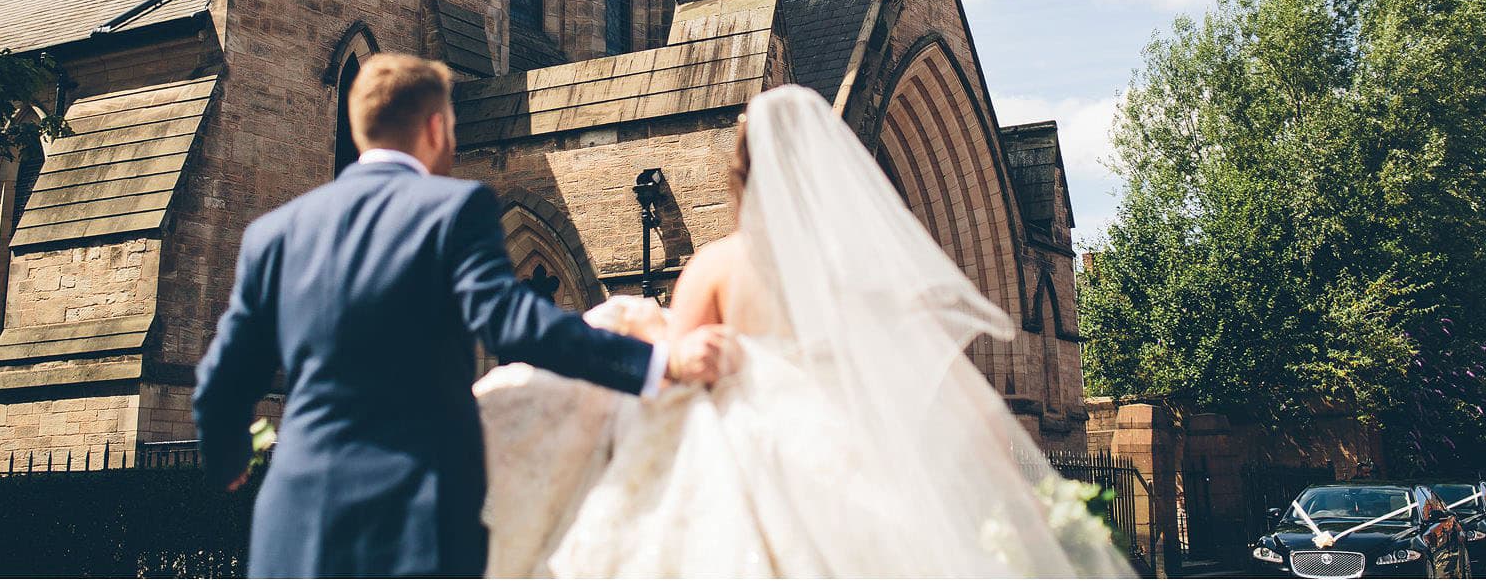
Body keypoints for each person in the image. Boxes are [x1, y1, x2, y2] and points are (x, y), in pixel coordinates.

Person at [476, 84, 1130, 578]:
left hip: (736, 468)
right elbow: (947, 388)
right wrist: (1028, 491)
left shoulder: (719, 265)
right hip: (847, 462)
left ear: (743, 175)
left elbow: (678, 370)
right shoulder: (861, 278)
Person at [192, 53, 735, 579]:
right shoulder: (453, 211)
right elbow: (513, 320)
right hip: (419, 511)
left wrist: (228, 460)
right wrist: (655, 361)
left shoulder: (275, 235)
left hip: (296, 515)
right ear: (433, 127)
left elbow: (221, 383)